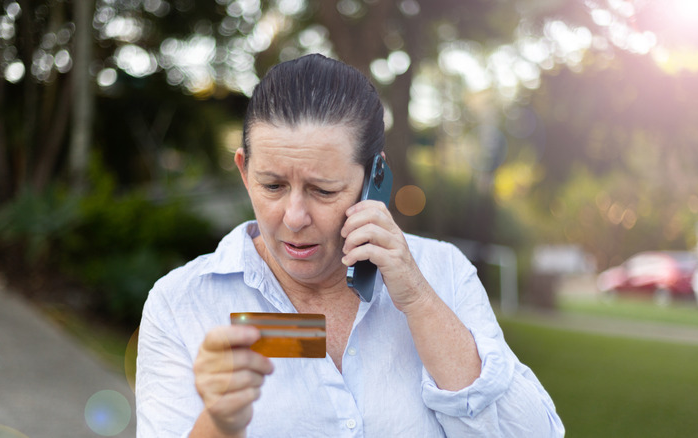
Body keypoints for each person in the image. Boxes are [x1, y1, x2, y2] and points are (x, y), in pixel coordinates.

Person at [136, 53, 564, 437]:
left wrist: (416, 297)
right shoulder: (181, 304)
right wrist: (220, 423)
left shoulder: (443, 271)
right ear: (245, 172)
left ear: (376, 178)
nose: (294, 216)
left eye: (323, 190)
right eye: (272, 185)